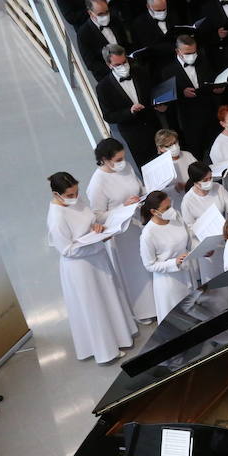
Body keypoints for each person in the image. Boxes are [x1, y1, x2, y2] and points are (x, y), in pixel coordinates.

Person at [45, 172, 138, 364]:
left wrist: (97, 226)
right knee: (95, 306)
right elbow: (67, 250)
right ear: (56, 194)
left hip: (97, 259)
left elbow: (91, 219)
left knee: (108, 296)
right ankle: (106, 350)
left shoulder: (74, 201)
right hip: (81, 268)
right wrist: (99, 241)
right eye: (70, 195)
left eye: (76, 192)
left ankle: (120, 337)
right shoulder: (56, 217)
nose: (75, 197)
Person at [86, 137, 153, 323]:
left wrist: (144, 197)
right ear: (104, 160)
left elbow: (140, 188)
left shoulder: (126, 167)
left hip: (139, 223)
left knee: (149, 262)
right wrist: (123, 207)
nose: (122, 162)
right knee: (135, 271)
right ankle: (143, 311)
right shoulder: (97, 183)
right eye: (117, 160)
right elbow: (97, 215)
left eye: (123, 158)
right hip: (122, 233)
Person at [138, 191, 193, 319]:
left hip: (186, 273)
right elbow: (149, 265)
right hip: (169, 283)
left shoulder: (176, 216)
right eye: (166, 208)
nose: (171, 210)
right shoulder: (148, 235)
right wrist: (174, 263)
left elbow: (188, 239)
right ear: (154, 212)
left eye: (171, 205)